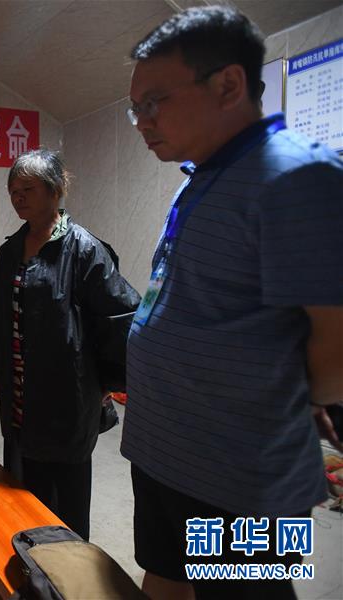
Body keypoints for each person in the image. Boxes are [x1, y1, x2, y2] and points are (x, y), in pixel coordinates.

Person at [121, 7, 343, 600]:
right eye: (134, 108)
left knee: (245, 591)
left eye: (154, 102)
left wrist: (307, 399)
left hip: (239, 471)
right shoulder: (201, 177)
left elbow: (337, 335)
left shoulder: (298, 176)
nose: (142, 122)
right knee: (166, 571)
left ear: (228, 85)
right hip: (165, 448)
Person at [0, 148, 140, 541]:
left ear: (54, 190)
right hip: (19, 389)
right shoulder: (10, 249)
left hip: (69, 391)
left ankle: (71, 562)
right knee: (25, 480)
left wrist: (108, 381)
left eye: (27, 189)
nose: (18, 198)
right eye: (13, 191)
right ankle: (32, 552)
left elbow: (119, 315)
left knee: (68, 489)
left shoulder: (84, 249)